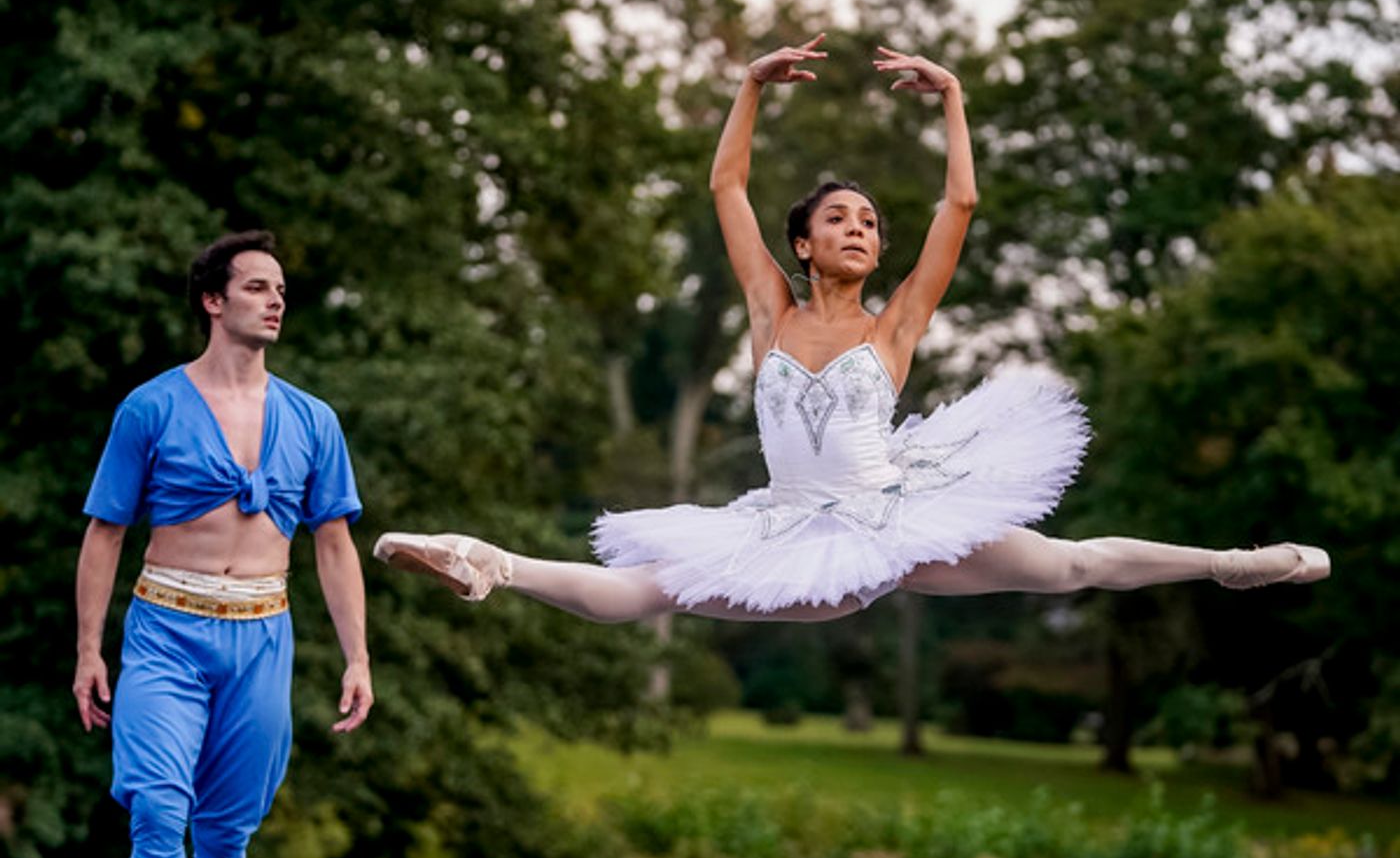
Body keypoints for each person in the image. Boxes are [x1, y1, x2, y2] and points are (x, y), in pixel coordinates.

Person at [374, 36, 1327, 620]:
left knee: (1070, 565)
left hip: (900, 517)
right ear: (802, 241)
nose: (860, 229)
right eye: (840, 218)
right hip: (795, 528)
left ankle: (1232, 565)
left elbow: (960, 203)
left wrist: (953, 96)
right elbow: (725, 186)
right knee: (644, 594)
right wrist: (749, 85)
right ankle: (487, 560)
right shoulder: (770, 312)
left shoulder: (895, 325)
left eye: (870, 221)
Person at [73, 231, 373, 858]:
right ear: (214, 300)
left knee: (229, 832)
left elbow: (335, 544)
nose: (276, 300)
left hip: (263, 633)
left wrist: (357, 657)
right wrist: (88, 650)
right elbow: (105, 533)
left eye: (280, 289)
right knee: (159, 810)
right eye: (256, 287)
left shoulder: (314, 419)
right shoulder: (151, 407)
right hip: (167, 630)